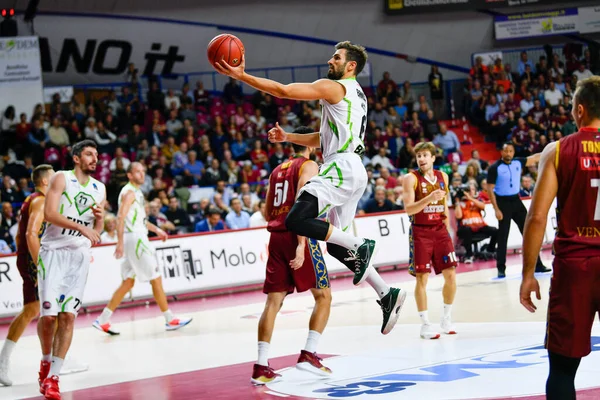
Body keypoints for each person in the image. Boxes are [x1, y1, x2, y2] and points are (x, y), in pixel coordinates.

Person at [215, 41, 406, 335]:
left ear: (350, 66)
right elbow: (324, 138)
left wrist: (242, 77)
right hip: (353, 169)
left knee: (297, 219)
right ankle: (385, 292)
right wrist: (288, 136)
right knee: (334, 245)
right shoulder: (357, 96)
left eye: (337, 57)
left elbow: (284, 91)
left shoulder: (334, 87)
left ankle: (361, 245)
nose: (331, 60)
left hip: (340, 168)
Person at [521, 76, 600, 400]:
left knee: (563, 371)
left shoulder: (557, 151)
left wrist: (528, 274)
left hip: (574, 269)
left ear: (580, 110)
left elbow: (537, 216)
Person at [252, 127, 332, 385]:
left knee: (273, 302)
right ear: (309, 144)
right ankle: (309, 353)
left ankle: (261, 366)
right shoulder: (308, 165)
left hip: (275, 236)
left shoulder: (276, 170)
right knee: (324, 296)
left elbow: (267, 210)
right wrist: (300, 244)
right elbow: (301, 202)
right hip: (297, 234)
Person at [38, 140, 105, 400]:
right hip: (53, 253)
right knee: (49, 317)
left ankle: (54, 377)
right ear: (76, 158)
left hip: (78, 255)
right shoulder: (60, 178)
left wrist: (98, 221)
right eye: (89, 154)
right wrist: (82, 228)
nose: (94, 159)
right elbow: (50, 215)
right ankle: (45, 361)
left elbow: (95, 234)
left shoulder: (100, 188)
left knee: (67, 317)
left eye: (96, 155)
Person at [93, 162, 192, 335]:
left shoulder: (135, 192)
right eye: (137, 172)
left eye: (143, 171)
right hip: (136, 240)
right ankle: (170, 319)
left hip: (136, 236)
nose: (142, 174)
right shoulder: (130, 192)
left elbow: (140, 221)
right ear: (130, 175)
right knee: (156, 278)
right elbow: (120, 216)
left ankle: (102, 319)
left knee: (128, 282)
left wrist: (157, 229)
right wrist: (120, 242)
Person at [402, 142, 457, 340]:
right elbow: (409, 209)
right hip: (421, 232)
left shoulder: (444, 177)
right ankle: (425, 324)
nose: (422, 159)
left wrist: (448, 231)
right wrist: (429, 198)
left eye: (425, 155)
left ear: (433, 158)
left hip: (441, 230)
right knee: (422, 278)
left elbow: (443, 204)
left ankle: (446, 318)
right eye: (419, 156)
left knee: (451, 274)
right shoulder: (411, 179)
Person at [487, 142, 550, 278]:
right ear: (501, 153)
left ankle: (537, 264)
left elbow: (533, 158)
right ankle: (501, 268)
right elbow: (490, 190)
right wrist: (496, 209)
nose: (508, 153)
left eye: (510, 151)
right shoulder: (495, 168)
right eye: (506, 151)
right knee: (503, 236)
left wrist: (550, 150)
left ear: (513, 152)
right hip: (502, 203)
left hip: (516, 201)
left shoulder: (518, 162)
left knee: (529, 232)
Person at [454, 182, 498, 263]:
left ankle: (490, 249)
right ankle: (469, 254)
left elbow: (483, 206)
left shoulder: (477, 200)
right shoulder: (460, 203)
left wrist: (470, 198)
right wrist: (457, 200)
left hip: (480, 226)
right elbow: (458, 216)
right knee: (467, 230)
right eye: (468, 190)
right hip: (466, 228)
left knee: (495, 230)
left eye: (472, 189)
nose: (470, 191)